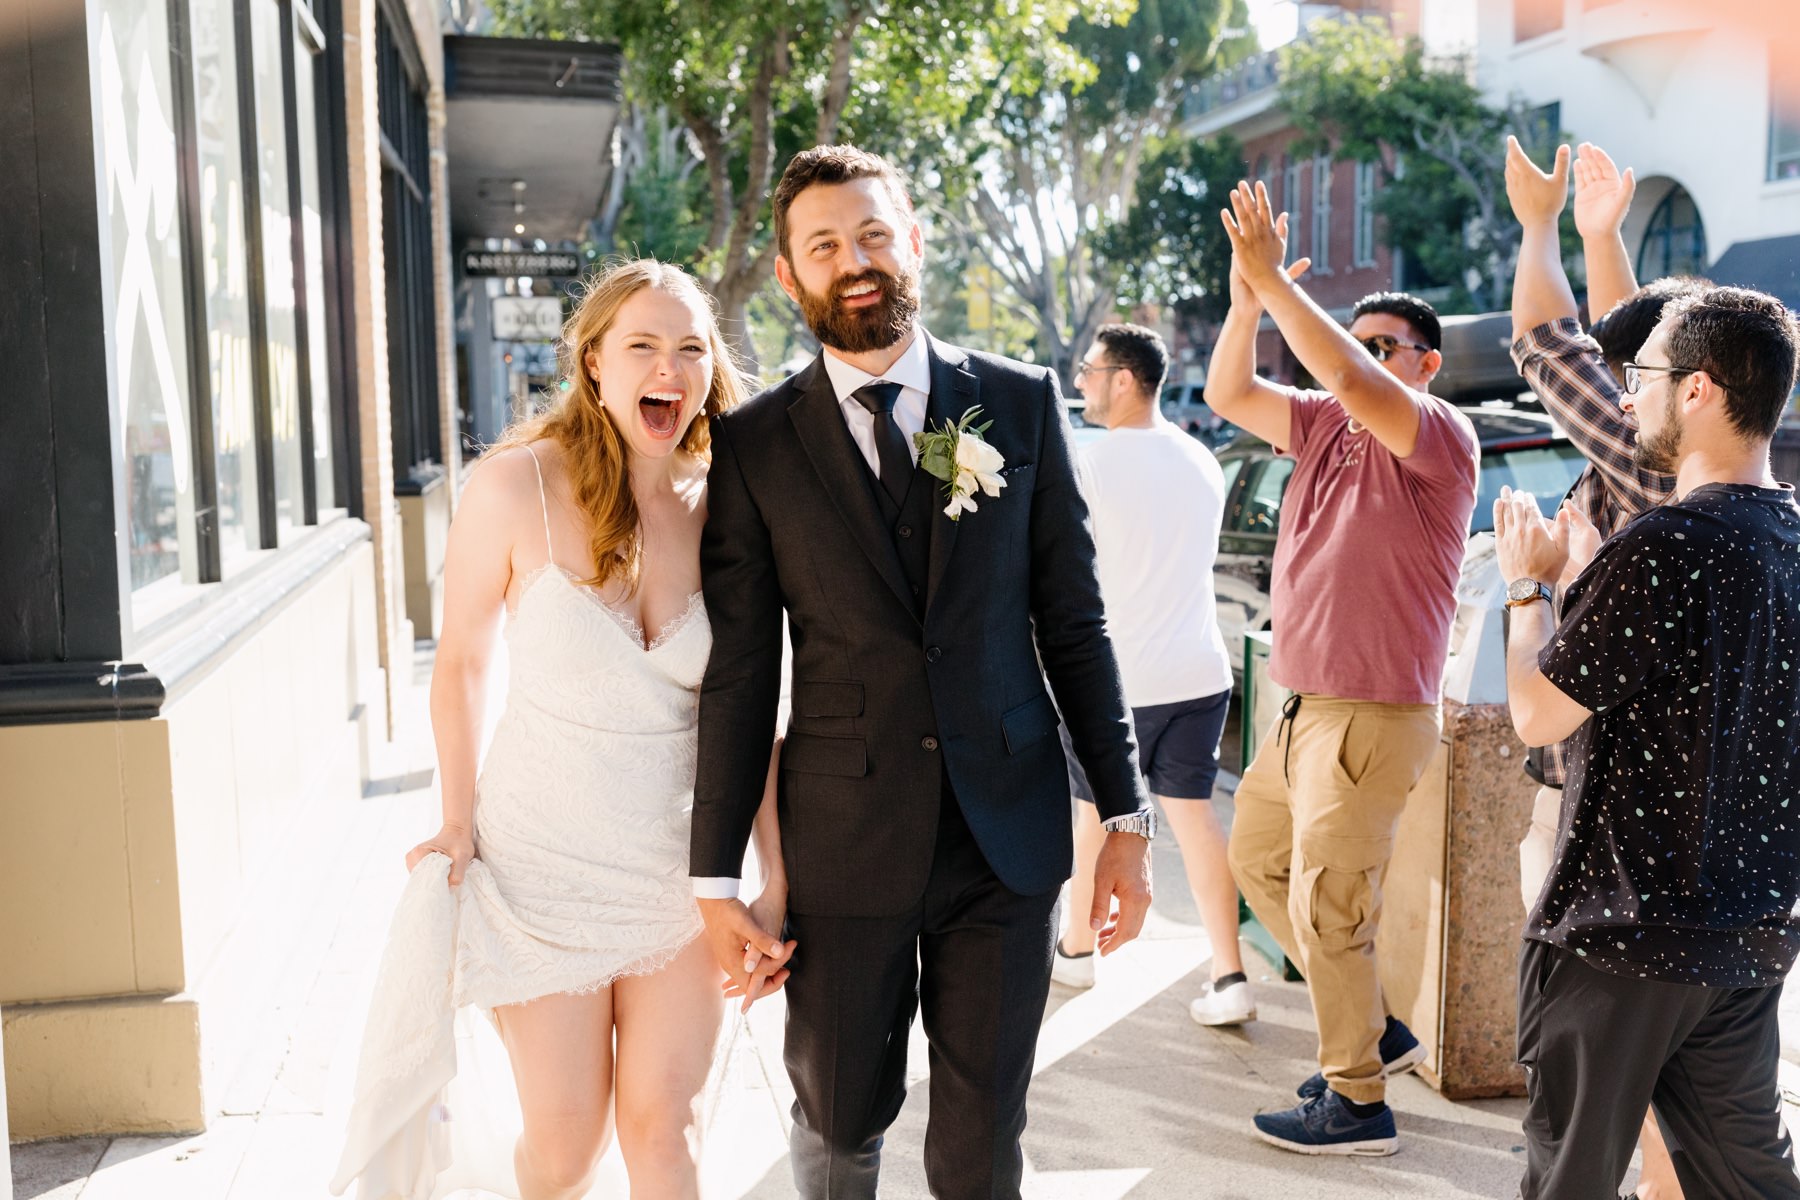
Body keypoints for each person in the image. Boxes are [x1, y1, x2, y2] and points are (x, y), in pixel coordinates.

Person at [688, 144, 1153, 1200]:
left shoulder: (1020, 403)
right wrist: (716, 875)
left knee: (984, 1135)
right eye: (824, 245)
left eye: (873, 234)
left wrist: (1125, 819)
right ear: (789, 273)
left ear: (913, 241)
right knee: (842, 1113)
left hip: (1008, 838)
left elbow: (1074, 626)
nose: (854, 261)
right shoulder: (755, 447)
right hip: (845, 844)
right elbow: (743, 672)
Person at [332, 260, 780, 1200]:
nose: (672, 366)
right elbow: (459, 663)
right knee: (568, 1148)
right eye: (645, 345)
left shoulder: (734, 502)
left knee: (665, 1133)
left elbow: (755, 709)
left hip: (676, 874)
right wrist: (456, 820)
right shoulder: (513, 487)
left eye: (692, 347)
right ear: (592, 362)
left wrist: (775, 876)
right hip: (541, 868)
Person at [1494, 283, 1800, 1199]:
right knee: (1749, 1185)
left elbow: (1537, 713)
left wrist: (1529, 592)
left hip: (1620, 938)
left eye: (1646, 376)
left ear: (1699, 389)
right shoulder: (1788, 540)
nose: (1629, 397)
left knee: (1569, 1181)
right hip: (1745, 938)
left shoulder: (1668, 542)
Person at [1207, 181, 1479, 1156]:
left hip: (1371, 714)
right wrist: (1249, 300)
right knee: (1260, 865)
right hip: (1300, 708)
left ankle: (1357, 1101)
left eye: (1383, 345)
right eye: (1352, 340)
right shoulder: (1322, 424)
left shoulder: (1441, 437)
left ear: (1427, 365)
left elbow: (1358, 384)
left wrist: (1277, 278)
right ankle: (1377, 1032)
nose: (1359, 358)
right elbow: (1228, 395)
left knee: (1330, 907)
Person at [1503, 135, 1708, 1199]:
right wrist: (1603, 237)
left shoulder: (1636, 459)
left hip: (1602, 819)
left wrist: (1545, 227)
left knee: (1602, 1094)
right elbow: (1626, 342)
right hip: (1710, 835)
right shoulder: (1731, 493)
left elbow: (1547, 342)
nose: (1619, 389)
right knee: (1684, 1091)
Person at [1050, 323, 1248, 1026]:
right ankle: (1230, 975)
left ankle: (1077, 952)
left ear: (1125, 380)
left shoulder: (1092, 463)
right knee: (1194, 824)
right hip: (1198, 672)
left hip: (1120, 681)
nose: (1080, 382)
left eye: (1090, 370)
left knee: (1089, 819)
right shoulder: (1203, 458)